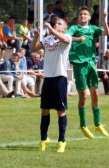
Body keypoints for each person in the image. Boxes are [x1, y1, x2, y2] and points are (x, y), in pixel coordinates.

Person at [66, 6, 109, 139]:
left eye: (85, 14)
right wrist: (77, 39)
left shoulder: (93, 29)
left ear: (90, 17)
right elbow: (66, 37)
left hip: (91, 63)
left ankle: (97, 124)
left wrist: (103, 19)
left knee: (95, 94)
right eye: (80, 14)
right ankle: (83, 125)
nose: (83, 16)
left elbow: (106, 33)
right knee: (83, 96)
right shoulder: (74, 28)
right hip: (79, 64)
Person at [30, 18, 72, 153]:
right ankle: (43, 139)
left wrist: (52, 29)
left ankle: (61, 141)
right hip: (48, 78)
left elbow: (64, 40)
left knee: (60, 111)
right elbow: (33, 48)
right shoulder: (47, 38)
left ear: (64, 28)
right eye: (55, 23)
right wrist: (36, 37)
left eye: (59, 24)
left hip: (60, 78)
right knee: (44, 110)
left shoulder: (67, 37)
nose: (56, 24)